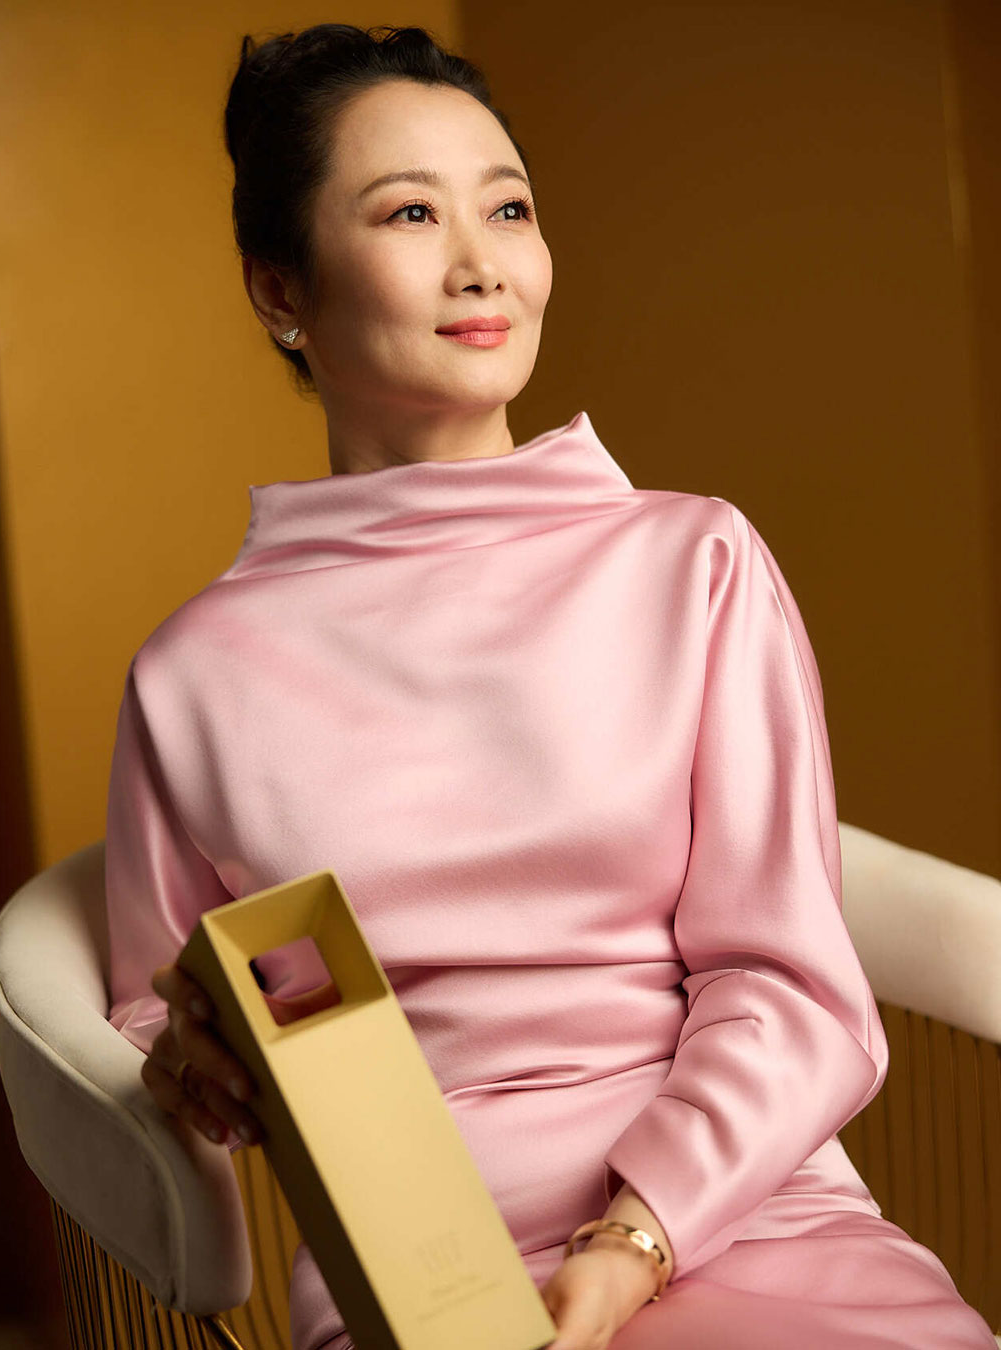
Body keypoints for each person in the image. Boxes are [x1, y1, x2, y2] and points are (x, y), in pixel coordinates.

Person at [103, 22, 997, 1350]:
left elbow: (794, 983)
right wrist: (189, 1059)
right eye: (411, 211)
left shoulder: (690, 560)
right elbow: (148, 1020)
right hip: (421, 1279)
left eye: (509, 207)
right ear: (279, 286)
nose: (483, 263)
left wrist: (635, 1242)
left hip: (745, 1214)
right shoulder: (196, 674)